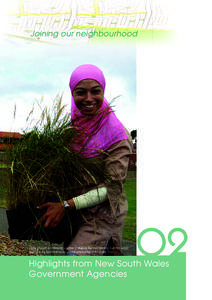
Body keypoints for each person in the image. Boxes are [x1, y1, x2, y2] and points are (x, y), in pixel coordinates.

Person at [36, 64, 133, 256]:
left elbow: (111, 188)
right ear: (73, 94)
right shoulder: (73, 129)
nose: (89, 99)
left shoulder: (117, 135)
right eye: (81, 92)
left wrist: (65, 205)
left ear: (103, 92)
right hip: (76, 215)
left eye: (95, 91)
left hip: (102, 218)